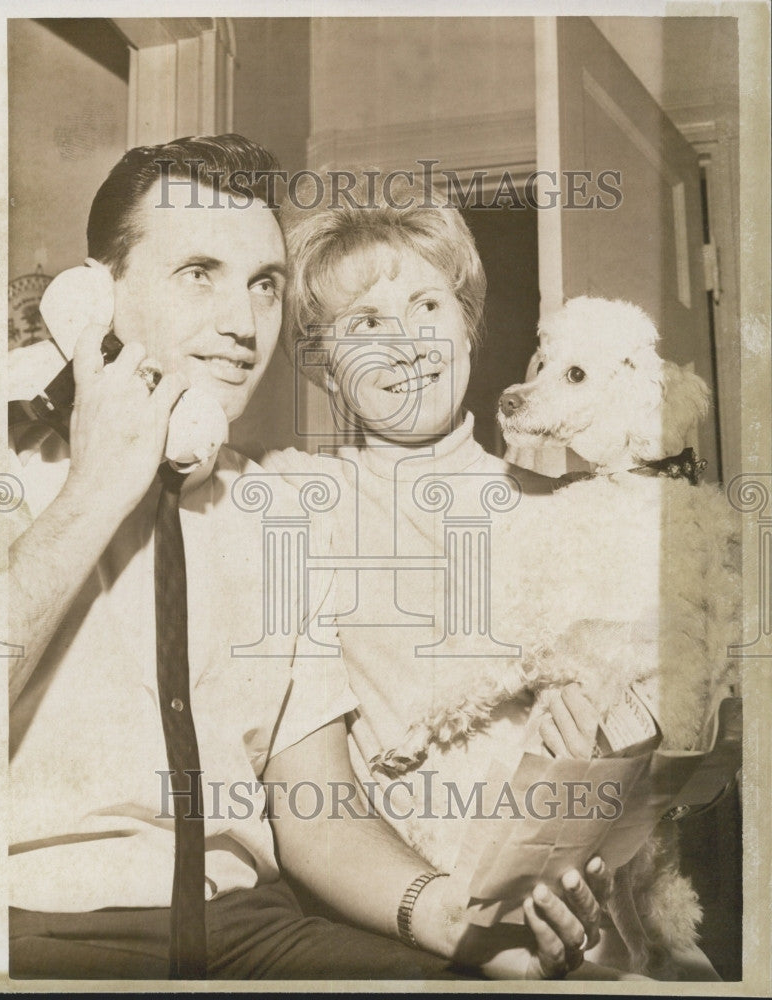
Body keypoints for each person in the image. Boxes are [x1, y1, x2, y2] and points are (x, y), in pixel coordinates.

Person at [7, 134, 614, 981]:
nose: (239, 322)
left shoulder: (270, 513)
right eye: (199, 274)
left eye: (262, 285)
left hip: (255, 930)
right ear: (96, 293)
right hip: (39, 929)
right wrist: (95, 486)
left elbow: (314, 808)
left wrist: (448, 918)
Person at [267, 178, 718, 979]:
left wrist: (611, 728)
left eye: (428, 307)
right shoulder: (294, 497)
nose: (407, 343)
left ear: (468, 327)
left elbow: (667, 725)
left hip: (583, 894)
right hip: (415, 910)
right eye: (366, 323)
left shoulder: (570, 504)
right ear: (326, 369)